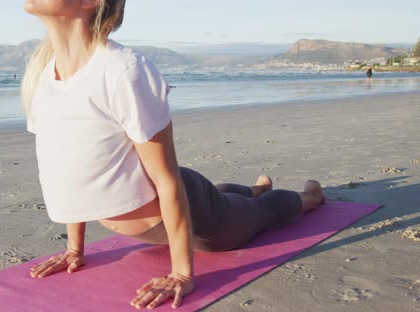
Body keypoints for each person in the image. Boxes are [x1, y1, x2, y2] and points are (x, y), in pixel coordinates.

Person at [21, 0, 326, 309]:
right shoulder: (44, 77)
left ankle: (310, 196)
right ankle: (256, 187)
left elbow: (167, 180)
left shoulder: (123, 71)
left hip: (200, 217)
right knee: (224, 196)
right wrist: (75, 250)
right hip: (173, 208)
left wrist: (181, 274)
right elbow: (73, 169)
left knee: (261, 212)